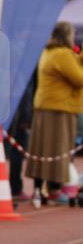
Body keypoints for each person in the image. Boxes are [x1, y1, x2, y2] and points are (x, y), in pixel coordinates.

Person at [25, 21, 83, 205]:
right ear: (67, 36)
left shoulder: (49, 51)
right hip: (58, 108)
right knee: (57, 150)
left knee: (42, 150)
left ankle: (40, 190)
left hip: (46, 106)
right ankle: (54, 189)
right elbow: (78, 78)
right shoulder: (62, 54)